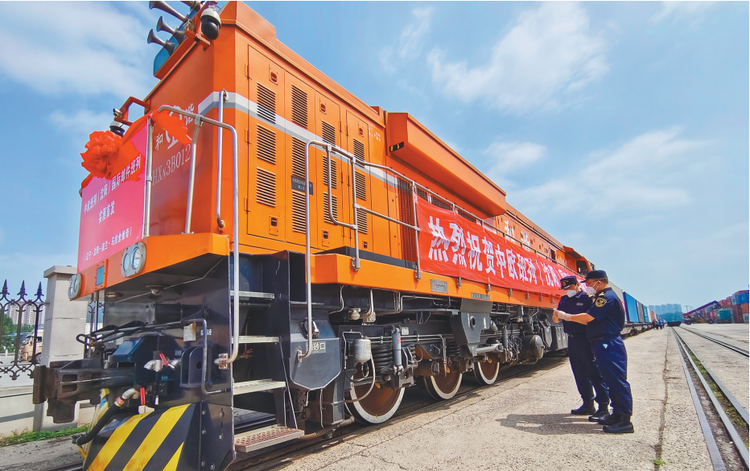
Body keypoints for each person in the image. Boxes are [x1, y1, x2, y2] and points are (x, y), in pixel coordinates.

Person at [553, 270, 634, 434]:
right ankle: (616, 415)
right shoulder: (599, 297)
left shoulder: (605, 298)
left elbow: (588, 318)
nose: (588, 286)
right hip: (600, 342)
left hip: (607, 342)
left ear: (599, 282)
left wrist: (566, 316)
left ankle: (624, 420)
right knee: (610, 379)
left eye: (589, 283)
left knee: (615, 380)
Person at [556, 275, 610, 419]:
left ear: (577, 285)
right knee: (579, 373)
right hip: (572, 339)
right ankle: (588, 404)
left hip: (586, 338)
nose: (567, 290)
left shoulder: (588, 299)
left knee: (594, 372)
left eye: (569, 287)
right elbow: (557, 318)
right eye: (565, 288)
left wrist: (567, 316)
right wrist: (557, 316)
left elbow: (590, 319)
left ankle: (603, 407)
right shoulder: (564, 300)